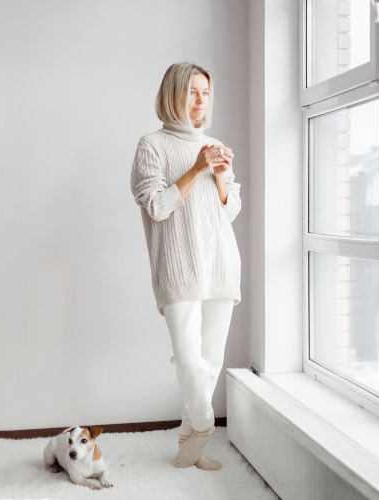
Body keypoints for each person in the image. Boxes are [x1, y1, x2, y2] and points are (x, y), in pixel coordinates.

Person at [130, 62, 241, 471]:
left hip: (221, 264)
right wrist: (196, 169)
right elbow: (157, 207)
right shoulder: (152, 145)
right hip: (179, 267)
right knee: (189, 357)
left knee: (211, 359)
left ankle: (186, 441)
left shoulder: (215, 144)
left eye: (206, 93)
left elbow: (230, 211)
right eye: (193, 92)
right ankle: (205, 426)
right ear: (173, 95)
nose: (200, 101)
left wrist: (222, 176)